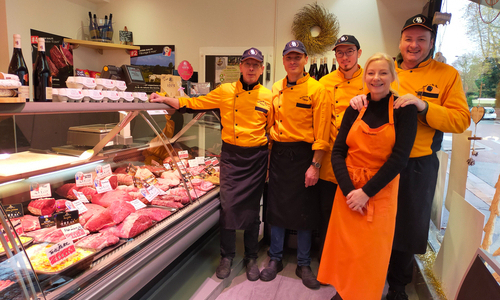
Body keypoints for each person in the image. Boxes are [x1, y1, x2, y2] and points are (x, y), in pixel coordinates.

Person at [349, 14, 471, 300]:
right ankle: (365, 281)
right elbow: (364, 100)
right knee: (371, 225)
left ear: (430, 44)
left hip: (417, 165)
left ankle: (397, 286)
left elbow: (461, 120)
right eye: (409, 39)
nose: (413, 45)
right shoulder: (385, 69)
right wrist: (357, 100)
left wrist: (423, 106)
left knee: (406, 227)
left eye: (421, 40)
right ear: (400, 41)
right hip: (377, 163)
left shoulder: (446, 75)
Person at [150, 47, 272, 281]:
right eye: (247, 63)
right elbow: (195, 103)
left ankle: (251, 257)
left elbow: (273, 129)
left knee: (252, 209)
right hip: (232, 157)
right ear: (240, 66)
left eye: (255, 65)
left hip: (256, 158)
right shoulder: (225, 91)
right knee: (228, 207)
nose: (251, 68)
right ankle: (227, 256)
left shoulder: (268, 96)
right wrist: (166, 98)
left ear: (261, 69)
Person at [318, 52, 418, 300]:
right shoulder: (356, 107)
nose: (376, 78)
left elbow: (399, 159)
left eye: (383, 72)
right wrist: (349, 190)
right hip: (348, 191)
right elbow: (339, 150)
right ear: (365, 77)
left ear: (393, 76)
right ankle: (344, 291)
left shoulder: (403, 110)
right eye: (371, 73)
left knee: (370, 253)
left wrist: (365, 193)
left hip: (379, 192)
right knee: (345, 250)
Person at [261, 40, 330, 290]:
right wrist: (268, 160)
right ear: (283, 61)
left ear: (305, 60)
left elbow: (322, 133)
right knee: (276, 210)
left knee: (304, 212)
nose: (293, 61)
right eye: (289, 57)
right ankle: (275, 259)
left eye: (297, 57)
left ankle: (303, 263)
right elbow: (270, 126)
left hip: (304, 157)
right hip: (279, 155)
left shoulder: (317, 89)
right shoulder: (275, 88)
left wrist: (315, 165)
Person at [317, 34, 364, 260]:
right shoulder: (324, 82)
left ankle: (348, 263)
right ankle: (326, 263)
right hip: (328, 162)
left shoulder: (370, 79)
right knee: (326, 215)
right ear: (335, 55)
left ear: (359, 53)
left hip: (357, 161)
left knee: (353, 217)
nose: (345, 57)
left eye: (349, 52)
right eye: (340, 53)